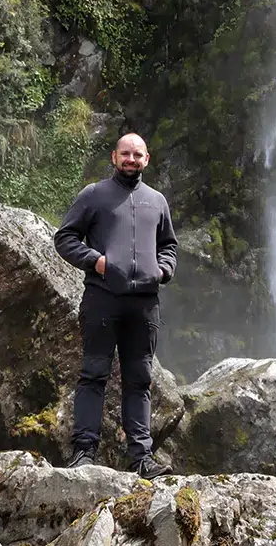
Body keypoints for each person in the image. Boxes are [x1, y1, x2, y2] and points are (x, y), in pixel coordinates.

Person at [53, 132, 177, 473]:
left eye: (137, 154)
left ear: (146, 159)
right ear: (114, 157)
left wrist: (164, 270)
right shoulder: (94, 195)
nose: (131, 159)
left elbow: (169, 246)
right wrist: (97, 261)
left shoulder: (157, 201)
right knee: (93, 376)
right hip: (102, 300)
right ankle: (84, 453)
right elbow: (64, 238)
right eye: (126, 154)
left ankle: (141, 459)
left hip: (144, 306)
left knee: (139, 380)